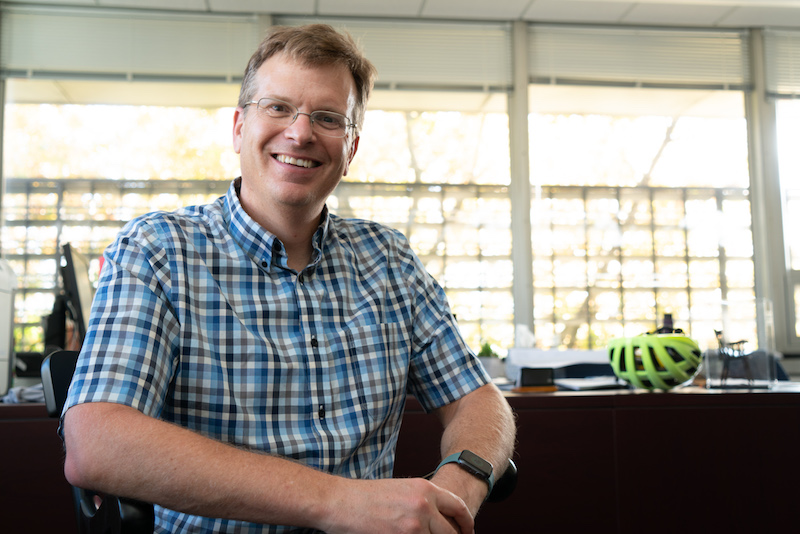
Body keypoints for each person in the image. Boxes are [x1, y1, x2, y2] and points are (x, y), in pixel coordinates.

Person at [62, 23, 516, 534]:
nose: (300, 133)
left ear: (351, 149)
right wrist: (336, 502)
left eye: (326, 118)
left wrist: (459, 485)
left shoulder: (390, 261)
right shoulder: (157, 251)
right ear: (238, 128)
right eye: (277, 107)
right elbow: (95, 442)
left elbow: (478, 398)